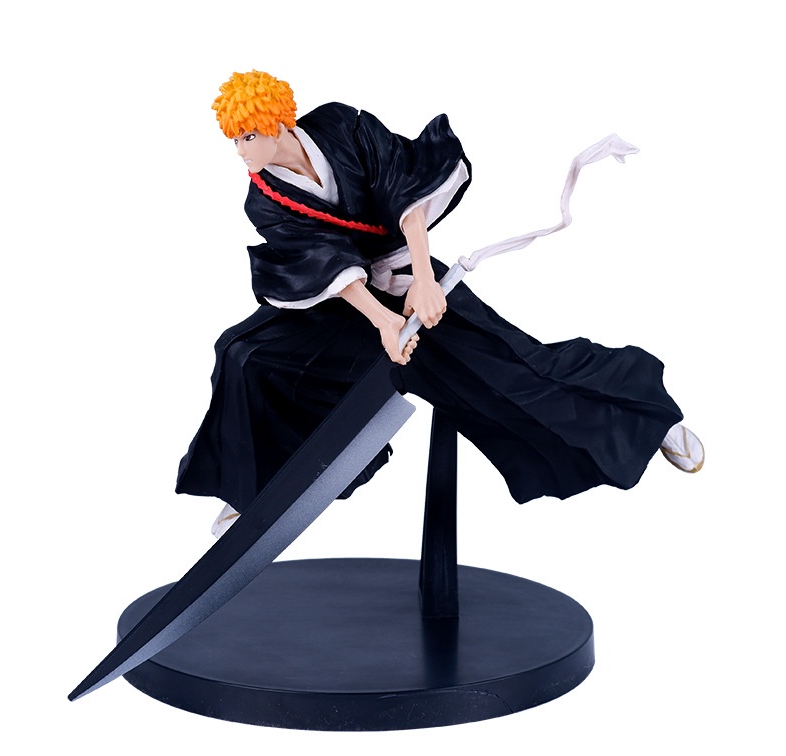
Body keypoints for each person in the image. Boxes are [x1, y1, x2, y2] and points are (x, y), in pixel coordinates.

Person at [175, 70, 703, 537]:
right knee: (244, 355)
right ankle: (256, 492)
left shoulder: (339, 126)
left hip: (410, 276)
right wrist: (384, 322)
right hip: (339, 305)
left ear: (277, 124)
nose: (241, 151)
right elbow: (319, 262)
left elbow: (401, 187)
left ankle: (647, 415)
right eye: (235, 140)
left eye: (248, 136)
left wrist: (425, 279)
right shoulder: (263, 199)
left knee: (517, 374)